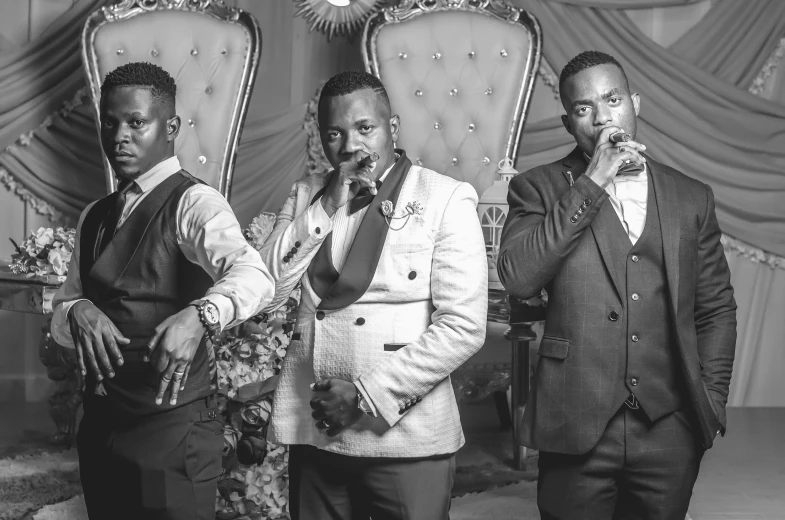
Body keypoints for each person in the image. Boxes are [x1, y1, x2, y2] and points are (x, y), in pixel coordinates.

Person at [498, 50, 737, 520]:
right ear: (570, 123)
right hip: (574, 422)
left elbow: (715, 309)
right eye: (585, 108)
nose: (604, 117)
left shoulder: (691, 197)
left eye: (613, 99)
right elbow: (520, 278)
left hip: (670, 426)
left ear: (635, 103)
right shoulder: (537, 188)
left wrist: (710, 403)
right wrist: (592, 182)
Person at [49, 62, 275, 519]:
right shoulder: (94, 213)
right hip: (101, 425)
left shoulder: (194, 202)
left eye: (136, 122)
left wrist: (201, 315)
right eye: (109, 122)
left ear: (170, 127)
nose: (119, 136)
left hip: (172, 430)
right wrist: (76, 311)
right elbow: (63, 306)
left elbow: (255, 275)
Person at [259, 70, 487, 520]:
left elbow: (463, 327)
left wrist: (363, 396)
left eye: (365, 129)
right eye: (335, 133)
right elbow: (267, 292)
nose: (351, 146)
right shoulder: (307, 194)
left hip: (404, 432)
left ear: (393, 128)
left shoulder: (445, 197)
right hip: (316, 425)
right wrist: (327, 205)